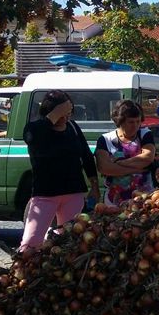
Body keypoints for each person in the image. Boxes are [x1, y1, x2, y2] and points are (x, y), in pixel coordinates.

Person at [20, 90, 100, 253]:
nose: (65, 117)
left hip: (73, 193)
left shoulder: (73, 127)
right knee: (31, 242)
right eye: (62, 113)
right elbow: (32, 138)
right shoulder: (36, 128)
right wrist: (55, 115)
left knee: (69, 241)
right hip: (45, 195)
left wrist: (94, 185)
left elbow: (85, 155)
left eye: (68, 113)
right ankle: (22, 268)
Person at [95, 99, 156, 205]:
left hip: (144, 199)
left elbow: (148, 157)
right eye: (131, 122)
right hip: (114, 200)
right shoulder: (105, 139)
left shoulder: (145, 134)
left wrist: (121, 163)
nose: (135, 126)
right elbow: (104, 168)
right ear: (120, 121)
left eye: (138, 121)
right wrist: (137, 169)